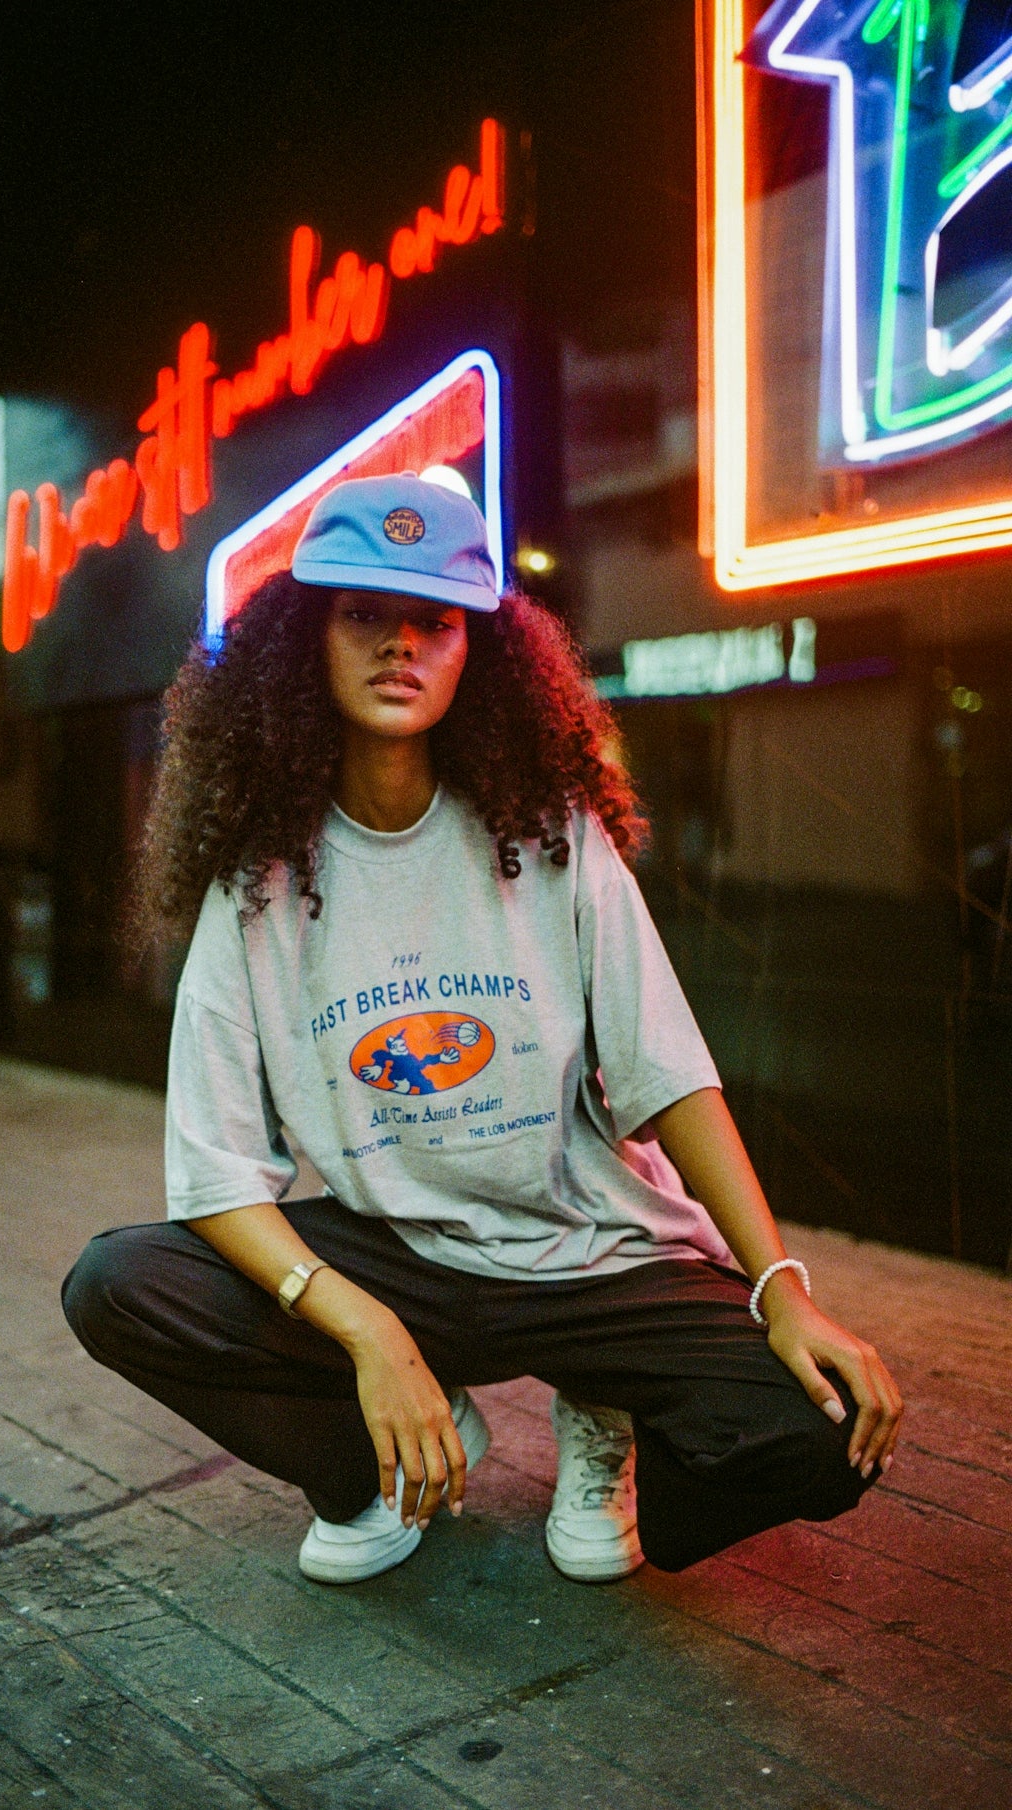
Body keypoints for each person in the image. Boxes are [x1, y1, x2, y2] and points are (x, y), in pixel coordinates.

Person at [62, 472, 902, 1586]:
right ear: (305, 641)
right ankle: (379, 1466)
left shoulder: (550, 833)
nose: (399, 645)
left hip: (592, 1250)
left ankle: (609, 1411)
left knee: (828, 1426)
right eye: (364, 614)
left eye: (436, 620)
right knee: (118, 1284)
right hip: (400, 1252)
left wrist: (781, 1289)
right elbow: (215, 1175)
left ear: (480, 653)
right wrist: (367, 1330)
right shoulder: (259, 882)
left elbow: (669, 1078)